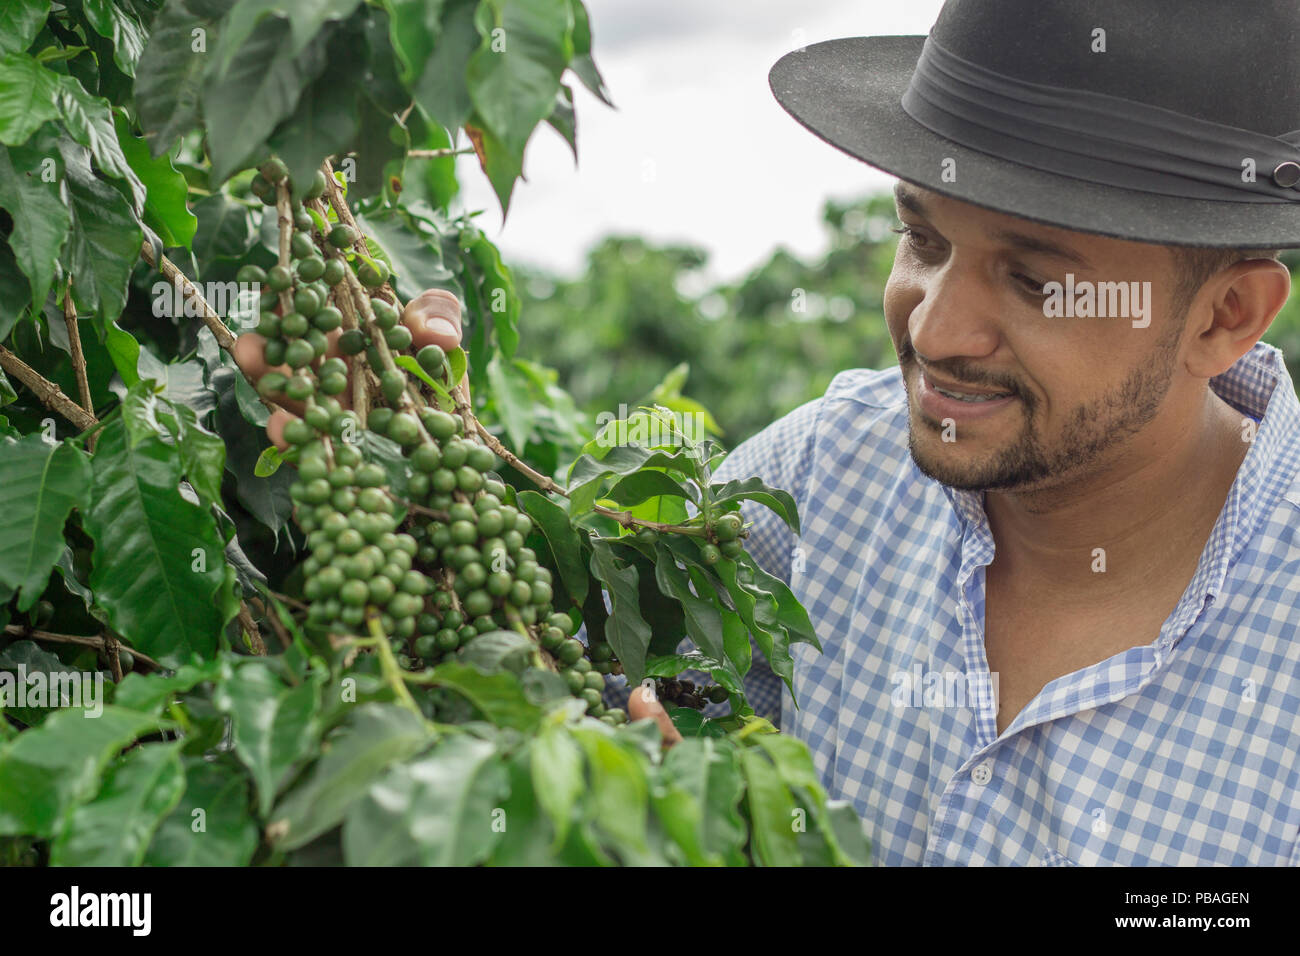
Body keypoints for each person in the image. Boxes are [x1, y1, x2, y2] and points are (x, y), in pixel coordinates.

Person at [239, 0, 1300, 865]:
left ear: (1225, 315)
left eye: (1031, 280)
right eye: (922, 239)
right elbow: (544, 678)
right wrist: (385, 452)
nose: (935, 326)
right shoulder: (821, 476)